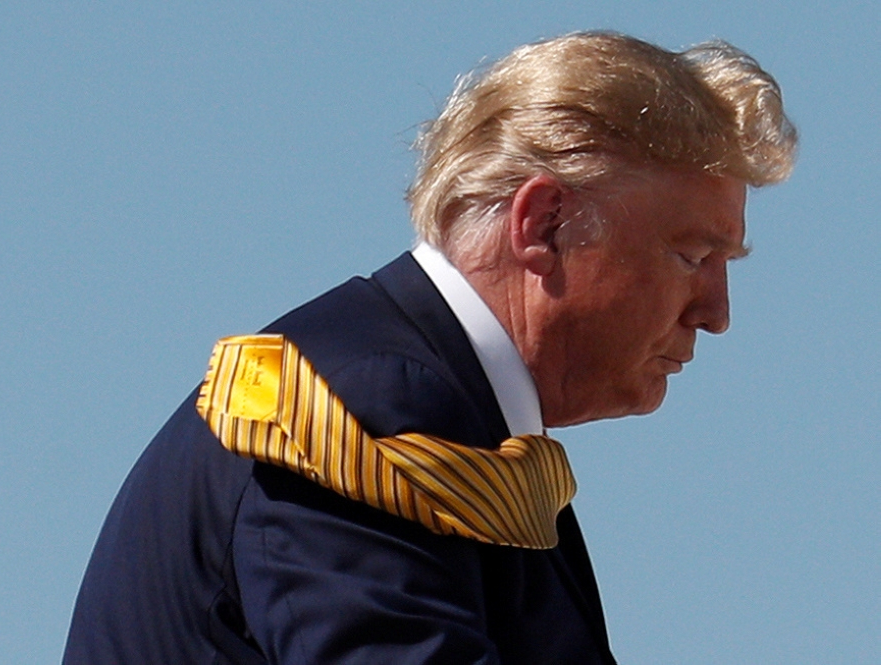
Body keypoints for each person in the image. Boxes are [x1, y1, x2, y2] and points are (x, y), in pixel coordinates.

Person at [63, 31, 796, 664]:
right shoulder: (370, 404)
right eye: (693, 256)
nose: (716, 313)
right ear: (542, 224)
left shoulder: (470, 438)